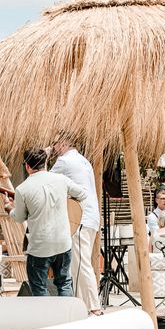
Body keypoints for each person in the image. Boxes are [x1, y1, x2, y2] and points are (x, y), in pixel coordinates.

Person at [5, 148, 87, 297]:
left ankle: (48, 318)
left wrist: (9, 209)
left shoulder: (22, 189)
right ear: (45, 162)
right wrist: (63, 197)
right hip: (63, 242)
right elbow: (82, 194)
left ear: (27, 166)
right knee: (64, 283)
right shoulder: (61, 179)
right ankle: (67, 316)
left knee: (39, 287)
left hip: (40, 247)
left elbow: (19, 217)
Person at [49, 135, 102, 315]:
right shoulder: (84, 161)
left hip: (79, 217)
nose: (53, 147)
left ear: (63, 143)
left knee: (79, 264)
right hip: (91, 217)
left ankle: (92, 306)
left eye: (55, 143)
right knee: (81, 263)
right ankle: (85, 306)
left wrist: (47, 154)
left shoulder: (63, 161)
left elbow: (45, 181)